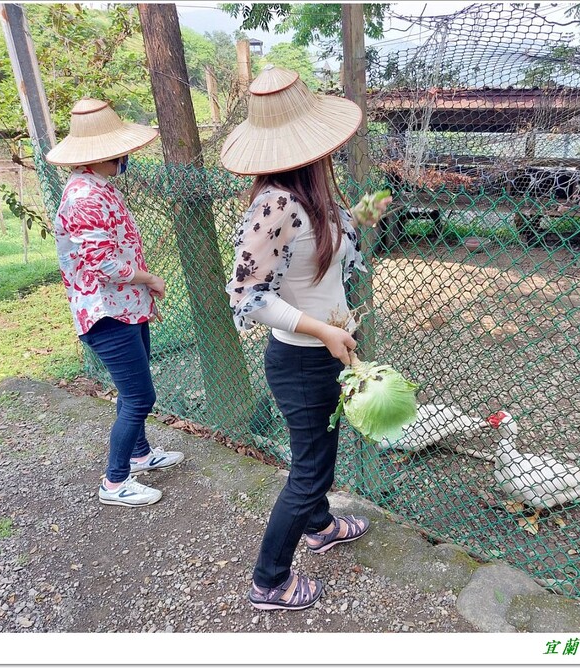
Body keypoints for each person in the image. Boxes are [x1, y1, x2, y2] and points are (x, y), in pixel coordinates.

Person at [221, 65, 391, 611]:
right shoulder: (275, 204)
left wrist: (361, 215)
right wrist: (321, 329)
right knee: (308, 469)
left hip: (325, 356)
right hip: (301, 361)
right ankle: (269, 581)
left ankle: (319, 526)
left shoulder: (308, 194)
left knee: (322, 452)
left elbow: (320, 253)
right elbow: (247, 295)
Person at [46, 98, 184, 508]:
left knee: (131, 391)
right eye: (120, 152)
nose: (125, 158)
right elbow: (103, 263)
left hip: (124, 305)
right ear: (103, 155)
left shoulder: (99, 188)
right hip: (106, 313)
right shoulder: (84, 198)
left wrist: (142, 294)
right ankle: (114, 481)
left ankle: (140, 454)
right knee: (140, 396)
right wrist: (150, 279)